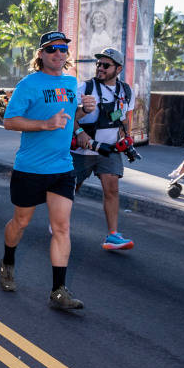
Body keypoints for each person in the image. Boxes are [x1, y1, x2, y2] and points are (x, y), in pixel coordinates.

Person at [0, 31, 94, 310]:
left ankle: (58, 290)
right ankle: (8, 262)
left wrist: (84, 112)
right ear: (40, 54)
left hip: (62, 167)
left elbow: (67, 119)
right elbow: (9, 121)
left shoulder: (70, 81)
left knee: (62, 228)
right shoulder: (28, 84)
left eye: (63, 48)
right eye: (52, 49)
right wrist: (44, 124)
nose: (59, 53)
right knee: (21, 223)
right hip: (30, 168)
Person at [71, 47, 136, 251]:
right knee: (73, 188)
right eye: (98, 64)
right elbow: (69, 116)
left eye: (105, 65)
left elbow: (124, 118)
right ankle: (58, 223)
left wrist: (126, 140)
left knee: (112, 189)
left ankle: (112, 236)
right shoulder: (85, 87)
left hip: (109, 151)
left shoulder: (126, 91)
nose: (100, 68)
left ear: (118, 69)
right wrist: (80, 132)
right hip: (82, 151)